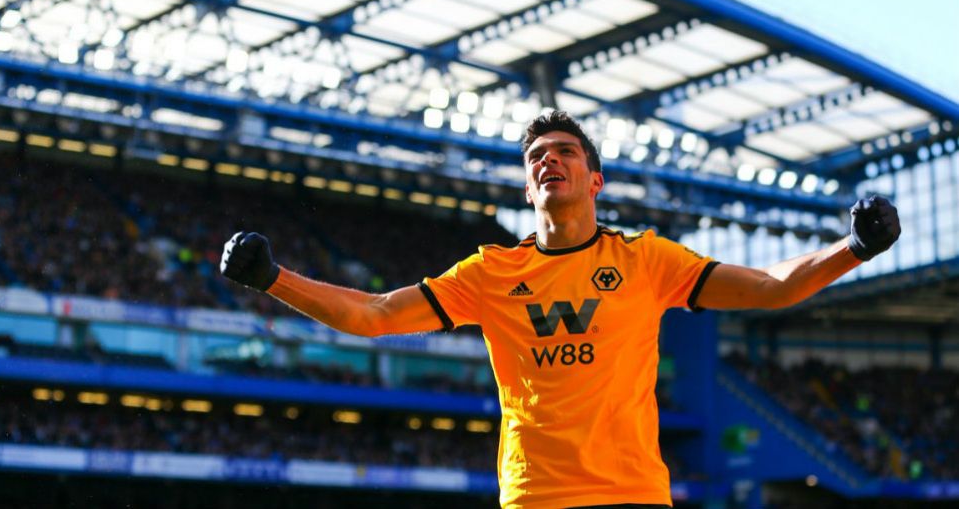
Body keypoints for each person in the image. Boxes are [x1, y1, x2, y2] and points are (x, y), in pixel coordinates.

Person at [219, 111, 900, 509]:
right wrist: (274, 278)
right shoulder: (491, 272)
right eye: (538, 156)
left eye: (566, 152)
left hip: (632, 496)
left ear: (594, 179)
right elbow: (374, 314)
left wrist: (854, 247)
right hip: (536, 499)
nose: (551, 161)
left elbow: (771, 285)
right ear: (527, 185)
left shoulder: (646, 259)